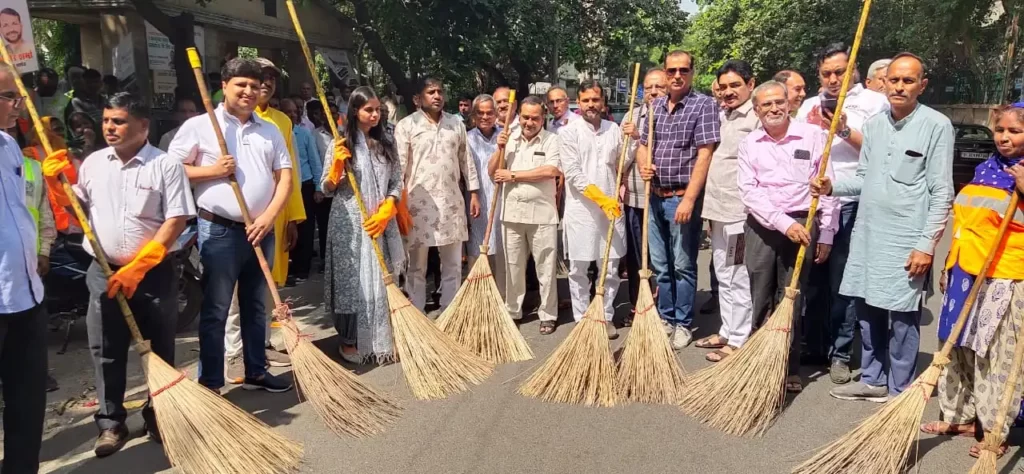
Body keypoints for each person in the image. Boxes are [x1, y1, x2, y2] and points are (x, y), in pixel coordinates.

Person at [44, 93, 195, 456]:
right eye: (107, 120)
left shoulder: (165, 165)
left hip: (153, 272)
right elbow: (78, 208)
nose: (109, 127)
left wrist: (139, 267)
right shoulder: (94, 163)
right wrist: (57, 184)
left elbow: (176, 219)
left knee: (159, 348)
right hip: (103, 271)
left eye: (119, 121)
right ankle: (111, 422)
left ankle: (160, 413)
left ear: (143, 126)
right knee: (105, 349)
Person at [814, 53, 955, 402]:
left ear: (922, 85)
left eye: (909, 81)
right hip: (868, 234)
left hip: (907, 239)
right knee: (867, 308)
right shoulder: (875, 126)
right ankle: (873, 378)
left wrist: (926, 244)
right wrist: (832, 186)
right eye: (894, 80)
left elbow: (942, 192)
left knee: (903, 318)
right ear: (885, 82)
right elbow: (863, 179)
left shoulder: (937, 125)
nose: (900, 87)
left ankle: (900, 388)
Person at [168, 57, 294, 394]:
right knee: (217, 307)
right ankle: (210, 381)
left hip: (260, 229)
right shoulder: (200, 126)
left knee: (256, 306)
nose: (250, 91)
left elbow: (285, 177)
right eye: (242, 84)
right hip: (219, 230)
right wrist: (211, 171)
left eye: (255, 85)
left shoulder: (269, 130)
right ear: (224, 86)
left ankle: (256, 370)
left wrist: (268, 217)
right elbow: (170, 170)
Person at [918, 103, 1024, 458]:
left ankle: (995, 430)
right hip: (966, 270)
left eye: (1014, 131)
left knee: (996, 357)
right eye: (1000, 130)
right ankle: (963, 417)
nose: (1004, 138)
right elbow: (967, 222)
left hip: (1006, 275)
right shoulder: (986, 168)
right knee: (957, 347)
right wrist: (951, 263)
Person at [797, 42, 890, 383]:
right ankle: (814, 344)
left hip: (853, 203)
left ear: (854, 69)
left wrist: (843, 131)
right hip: (814, 206)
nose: (834, 79)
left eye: (840, 71)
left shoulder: (874, 103)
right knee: (814, 282)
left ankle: (840, 352)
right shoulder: (809, 104)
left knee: (843, 283)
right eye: (826, 73)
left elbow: (881, 151)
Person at [737, 80, 839, 393]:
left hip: (804, 224)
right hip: (764, 227)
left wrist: (828, 232)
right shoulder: (750, 144)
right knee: (761, 295)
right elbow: (749, 191)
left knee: (792, 297)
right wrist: (783, 223)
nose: (774, 109)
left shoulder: (814, 135)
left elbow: (827, 184)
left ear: (790, 103)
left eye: (779, 102)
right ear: (756, 110)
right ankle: (758, 362)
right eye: (765, 105)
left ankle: (789, 366)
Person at [637, 50, 721, 350]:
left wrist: (689, 200)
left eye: (683, 70)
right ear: (665, 71)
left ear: (692, 73)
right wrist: (642, 163)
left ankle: (684, 323)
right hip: (655, 196)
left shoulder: (704, 105)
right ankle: (667, 317)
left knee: (684, 263)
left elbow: (705, 154)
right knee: (661, 265)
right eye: (671, 70)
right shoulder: (656, 106)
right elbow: (643, 145)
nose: (676, 76)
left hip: (682, 197)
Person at [319, 86, 404, 364]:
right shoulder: (340, 144)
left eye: (378, 109)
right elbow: (326, 188)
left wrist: (391, 202)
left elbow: (397, 181)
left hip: (380, 221)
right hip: (350, 224)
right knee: (350, 282)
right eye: (369, 109)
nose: (375, 114)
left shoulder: (387, 143)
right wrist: (336, 170)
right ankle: (349, 340)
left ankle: (381, 334)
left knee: (382, 278)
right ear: (355, 111)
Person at [395, 77, 480, 311]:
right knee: (416, 267)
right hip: (416, 206)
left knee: (452, 265)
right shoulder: (406, 126)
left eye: (440, 91)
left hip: (451, 204)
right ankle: (417, 314)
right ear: (418, 99)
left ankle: (448, 313)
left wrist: (473, 193)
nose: (437, 96)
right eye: (431, 92)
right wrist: (395, 202)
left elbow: (466, 161)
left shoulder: (456, 124)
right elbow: (398, 168)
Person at [0, 62, 48, 473]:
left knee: (27, 400)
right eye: (10, 96)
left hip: (26, 294)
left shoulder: (9, 146)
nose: (20, 105)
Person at [694, 59, 759, 362]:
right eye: (724, 87)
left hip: (738, 212)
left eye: (736, 85)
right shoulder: (721, 114)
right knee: (722, 272)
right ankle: (726, 330)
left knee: (736, 274)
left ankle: (739, 338)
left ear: (751, 84)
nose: (729, 91)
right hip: (717, 209)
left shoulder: (756, 118)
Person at [558, 81, 625, 339]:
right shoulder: (569, 132)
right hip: (581, 210)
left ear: (603, 102)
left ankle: (606, 316)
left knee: (609, 268)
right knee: (579, 269)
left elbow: (622, 162)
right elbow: (573, 174)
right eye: (585, 100)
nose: (591, 105)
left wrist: (632, 140)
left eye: (595, 100)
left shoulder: (613, 129)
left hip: (610, 210)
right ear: (579, 103)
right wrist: (600, 197)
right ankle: (583, 317)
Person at [490, 96, 561, 334]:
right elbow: (493, 172)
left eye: (535, 118)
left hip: (542, 214)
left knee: (546, 267)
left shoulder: (552, 140)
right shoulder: (508, 140)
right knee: (513, 267)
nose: (529, 122)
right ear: (518, 116)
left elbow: (550, 170)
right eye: (525, 117)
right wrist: (499, 149)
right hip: (512, 213)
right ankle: (513, 311)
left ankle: (548, 314)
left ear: (543, 119)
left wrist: (514, 175)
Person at [620, 68, 668, 320]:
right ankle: (638, 304)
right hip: (635, 197)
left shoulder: (672, 115)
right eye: (648, 88)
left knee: (662, 256)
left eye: (659, 87)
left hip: (662, 197)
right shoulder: (630, 117)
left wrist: (642, 138)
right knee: (637, 257)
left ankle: (662, 307)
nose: (653, 92)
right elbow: (620, 159)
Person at [466, 94, 506, 295]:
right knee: (477, 248)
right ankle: (477, 297)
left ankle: (500, 298)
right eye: (480, 113)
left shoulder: (504, 135)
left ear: (496, 114)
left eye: (489, 112)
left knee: (501, 251)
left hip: (502, 200)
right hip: (477, 200)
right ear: (473, 115)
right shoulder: (467, 138)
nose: (485, 117)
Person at [281, 98, 323, 281]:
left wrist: (318, 187)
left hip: (304, 185)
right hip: (282, 188)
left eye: (294, 112)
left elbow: (314, 161)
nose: (291, 115)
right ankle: (287, 268)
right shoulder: (274, 132)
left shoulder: (304, 134)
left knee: (304, 229)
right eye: (287, 111)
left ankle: (302, 269)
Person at [306, 99, 333, 271]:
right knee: (324, 227)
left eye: (334, 113)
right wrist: (319, 187)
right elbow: (315, 161)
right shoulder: (315, 135)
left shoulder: (346, 133)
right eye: (327, 114)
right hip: (325, 189)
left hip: (345, 189)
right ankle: (325, 259)